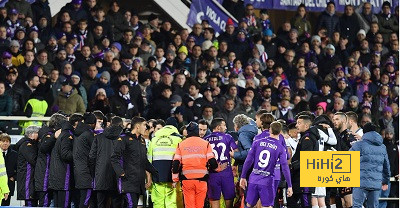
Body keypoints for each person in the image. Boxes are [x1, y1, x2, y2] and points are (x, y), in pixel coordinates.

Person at [172, 121, 226, 208]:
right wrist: (218, 169)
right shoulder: (205, 143)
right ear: (197, 131)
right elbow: (212, 161)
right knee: (200, 205)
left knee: (189, 205)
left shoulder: (181, 145)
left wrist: (175, 179)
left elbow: (176, 164)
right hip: (202, 180)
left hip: (187, 180)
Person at [239, 121, 293, 208]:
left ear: (270, 130)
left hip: (254, 179)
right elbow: (285, 167)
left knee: (249, 205)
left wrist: (243, 176)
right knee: (267, 206)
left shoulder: (257, 141)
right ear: (280, 132)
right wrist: (289, 185)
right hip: (267, 181)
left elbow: (248, 160)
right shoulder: (280, 147)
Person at [111, 116, 158, 208]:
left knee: (133, 204)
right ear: (137, 126)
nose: (146, 128)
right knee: (131, 205)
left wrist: (155, 172)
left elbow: (144, 160)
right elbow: (114, 158)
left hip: (138, 182)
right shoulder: (123, 139)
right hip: (127, 181)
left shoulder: (141, 141)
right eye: (144, 125)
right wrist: (121, 173)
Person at [350, 123, 390, 208]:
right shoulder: (382, 147)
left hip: (360, 181)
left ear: (364, 133)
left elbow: (347, 160)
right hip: (376, 183)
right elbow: (386, 166)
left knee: (357, 205)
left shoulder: (359, 145)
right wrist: (385, 181)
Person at [89, 116, 125, 208]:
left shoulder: (98, 137)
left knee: (101, 204)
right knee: (116, 203)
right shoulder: (122, 139)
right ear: (121, 125)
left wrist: (94, 173)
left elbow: (92, 157)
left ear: (110, 124)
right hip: (117, 176)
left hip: (100, 175)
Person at [203, 118, 238, 208]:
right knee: (229, 201)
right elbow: (236, 153)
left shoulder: (205, 139)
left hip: (212, 173)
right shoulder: (228, 137)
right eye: (224, 125)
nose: (226, 127)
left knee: (214, 201)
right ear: (218, 127)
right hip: (226, 173)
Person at [49, 115, 82, 208]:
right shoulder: (68, 134)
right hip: (64, 177)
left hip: (58, 176)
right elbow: (65, 154)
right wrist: (79, 153)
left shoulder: (64, 133)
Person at [147, 125, 183, 208]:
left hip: (157, 175)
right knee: (171, 202)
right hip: (171, 175)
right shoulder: (178, 140)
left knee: (158, 202)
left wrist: (149, 177)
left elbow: (149, 159)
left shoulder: (154, 140)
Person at [288, 115, 317, 208]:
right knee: (291, 202)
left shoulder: (307, 139)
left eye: (299, 123)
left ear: (306, 126)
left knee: (306, 204)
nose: (296, 125)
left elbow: (306, 160)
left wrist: (291, 166)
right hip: (300, 177)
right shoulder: (305, 137)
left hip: (305, 178)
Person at [73, 112, 97, 208]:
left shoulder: (77, 133)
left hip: (78, 171)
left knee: (81, 199)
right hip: (86, 173)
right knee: (85, 201)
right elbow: (93, 153)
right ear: (93, 124)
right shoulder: (88, 134)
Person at [16, 126, 40, 206]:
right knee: (29, 201)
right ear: (32, 134)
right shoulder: (27, 145)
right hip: (27, 179)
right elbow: (33, 160)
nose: (38, 135)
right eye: (37, 133)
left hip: (28, 178)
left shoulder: (27, 144)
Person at [0, 133, 16, 206]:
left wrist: (14, 177)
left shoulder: (14, 154)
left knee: (6, 205)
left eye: (7, 141)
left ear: (10, 143)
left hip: (9, 184)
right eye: (3, 141)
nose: (5, 143)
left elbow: (19, 168)